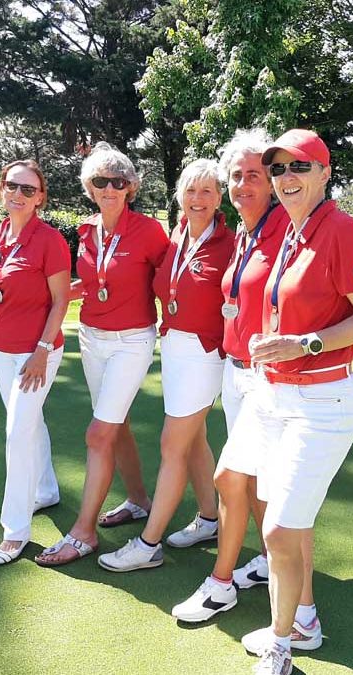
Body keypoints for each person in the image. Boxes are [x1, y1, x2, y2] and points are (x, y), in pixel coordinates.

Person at [241, 129, 353, 674]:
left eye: (299, 167)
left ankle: (281, 645)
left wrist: (303, 343)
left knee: (278, 528)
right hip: (275, 396)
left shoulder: (343, 231)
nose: (287, 178)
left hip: (323, 403)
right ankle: (303, 617)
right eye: (278, 169)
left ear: (325, 173)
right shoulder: (290, 230)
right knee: (290, 522)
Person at [172, 129, 301, 622]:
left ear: (271, 182)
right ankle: (268, 561)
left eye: (255, 174)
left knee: (232, 478)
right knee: (248, 481)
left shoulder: (287, 229)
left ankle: (220, 583)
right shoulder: (246, 232)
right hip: (236, 370)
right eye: (237, 176)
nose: (245, 184)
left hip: (268, 378)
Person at [97, 158, 235, 572]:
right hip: (174, 349)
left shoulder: (231, 242)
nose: (198, 198)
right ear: (179, 195)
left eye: (207, 191)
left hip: (205, 354)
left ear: (218, 198)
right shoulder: (174, 237)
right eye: (191, 190)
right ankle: (210, 519)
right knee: (193, 441)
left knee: (171, 444)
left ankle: (148, 543)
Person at [35, 143, 169, 566]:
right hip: (92, 336)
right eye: (100, 181)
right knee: (118, 425)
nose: (109, 188)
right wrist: (68, 292)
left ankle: (84, 532)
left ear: (131, 187)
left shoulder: (150, 231)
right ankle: (138, 499)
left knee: (98, 433)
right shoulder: (84, 229)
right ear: (88, 188)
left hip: (132, 339)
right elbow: (93, 280)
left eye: (118, 181)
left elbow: (170, 282)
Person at [0, 159, 71, 565]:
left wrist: (42, 351)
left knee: (17, 432)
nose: (18, 194)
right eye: (12, 186)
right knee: (30, 424)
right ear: (2, 189)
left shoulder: (50, 241)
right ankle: (46, 490)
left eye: (28, 190)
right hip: (3, 348)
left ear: (40, 199)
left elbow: (61, 300)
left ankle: (14, 532)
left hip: (39, 352)